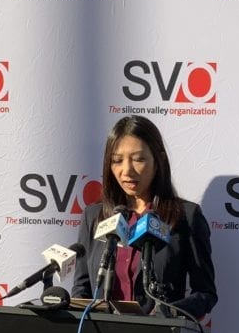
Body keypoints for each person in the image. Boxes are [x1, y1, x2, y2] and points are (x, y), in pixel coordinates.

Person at [71, 115, 217, 318]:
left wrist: (169, 313)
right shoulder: (94, 216)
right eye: (117, 160)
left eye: (138, 159)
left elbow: (205, 293)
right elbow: (81, 288)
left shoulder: (185, 216)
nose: (126, 171)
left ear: (158, 161)